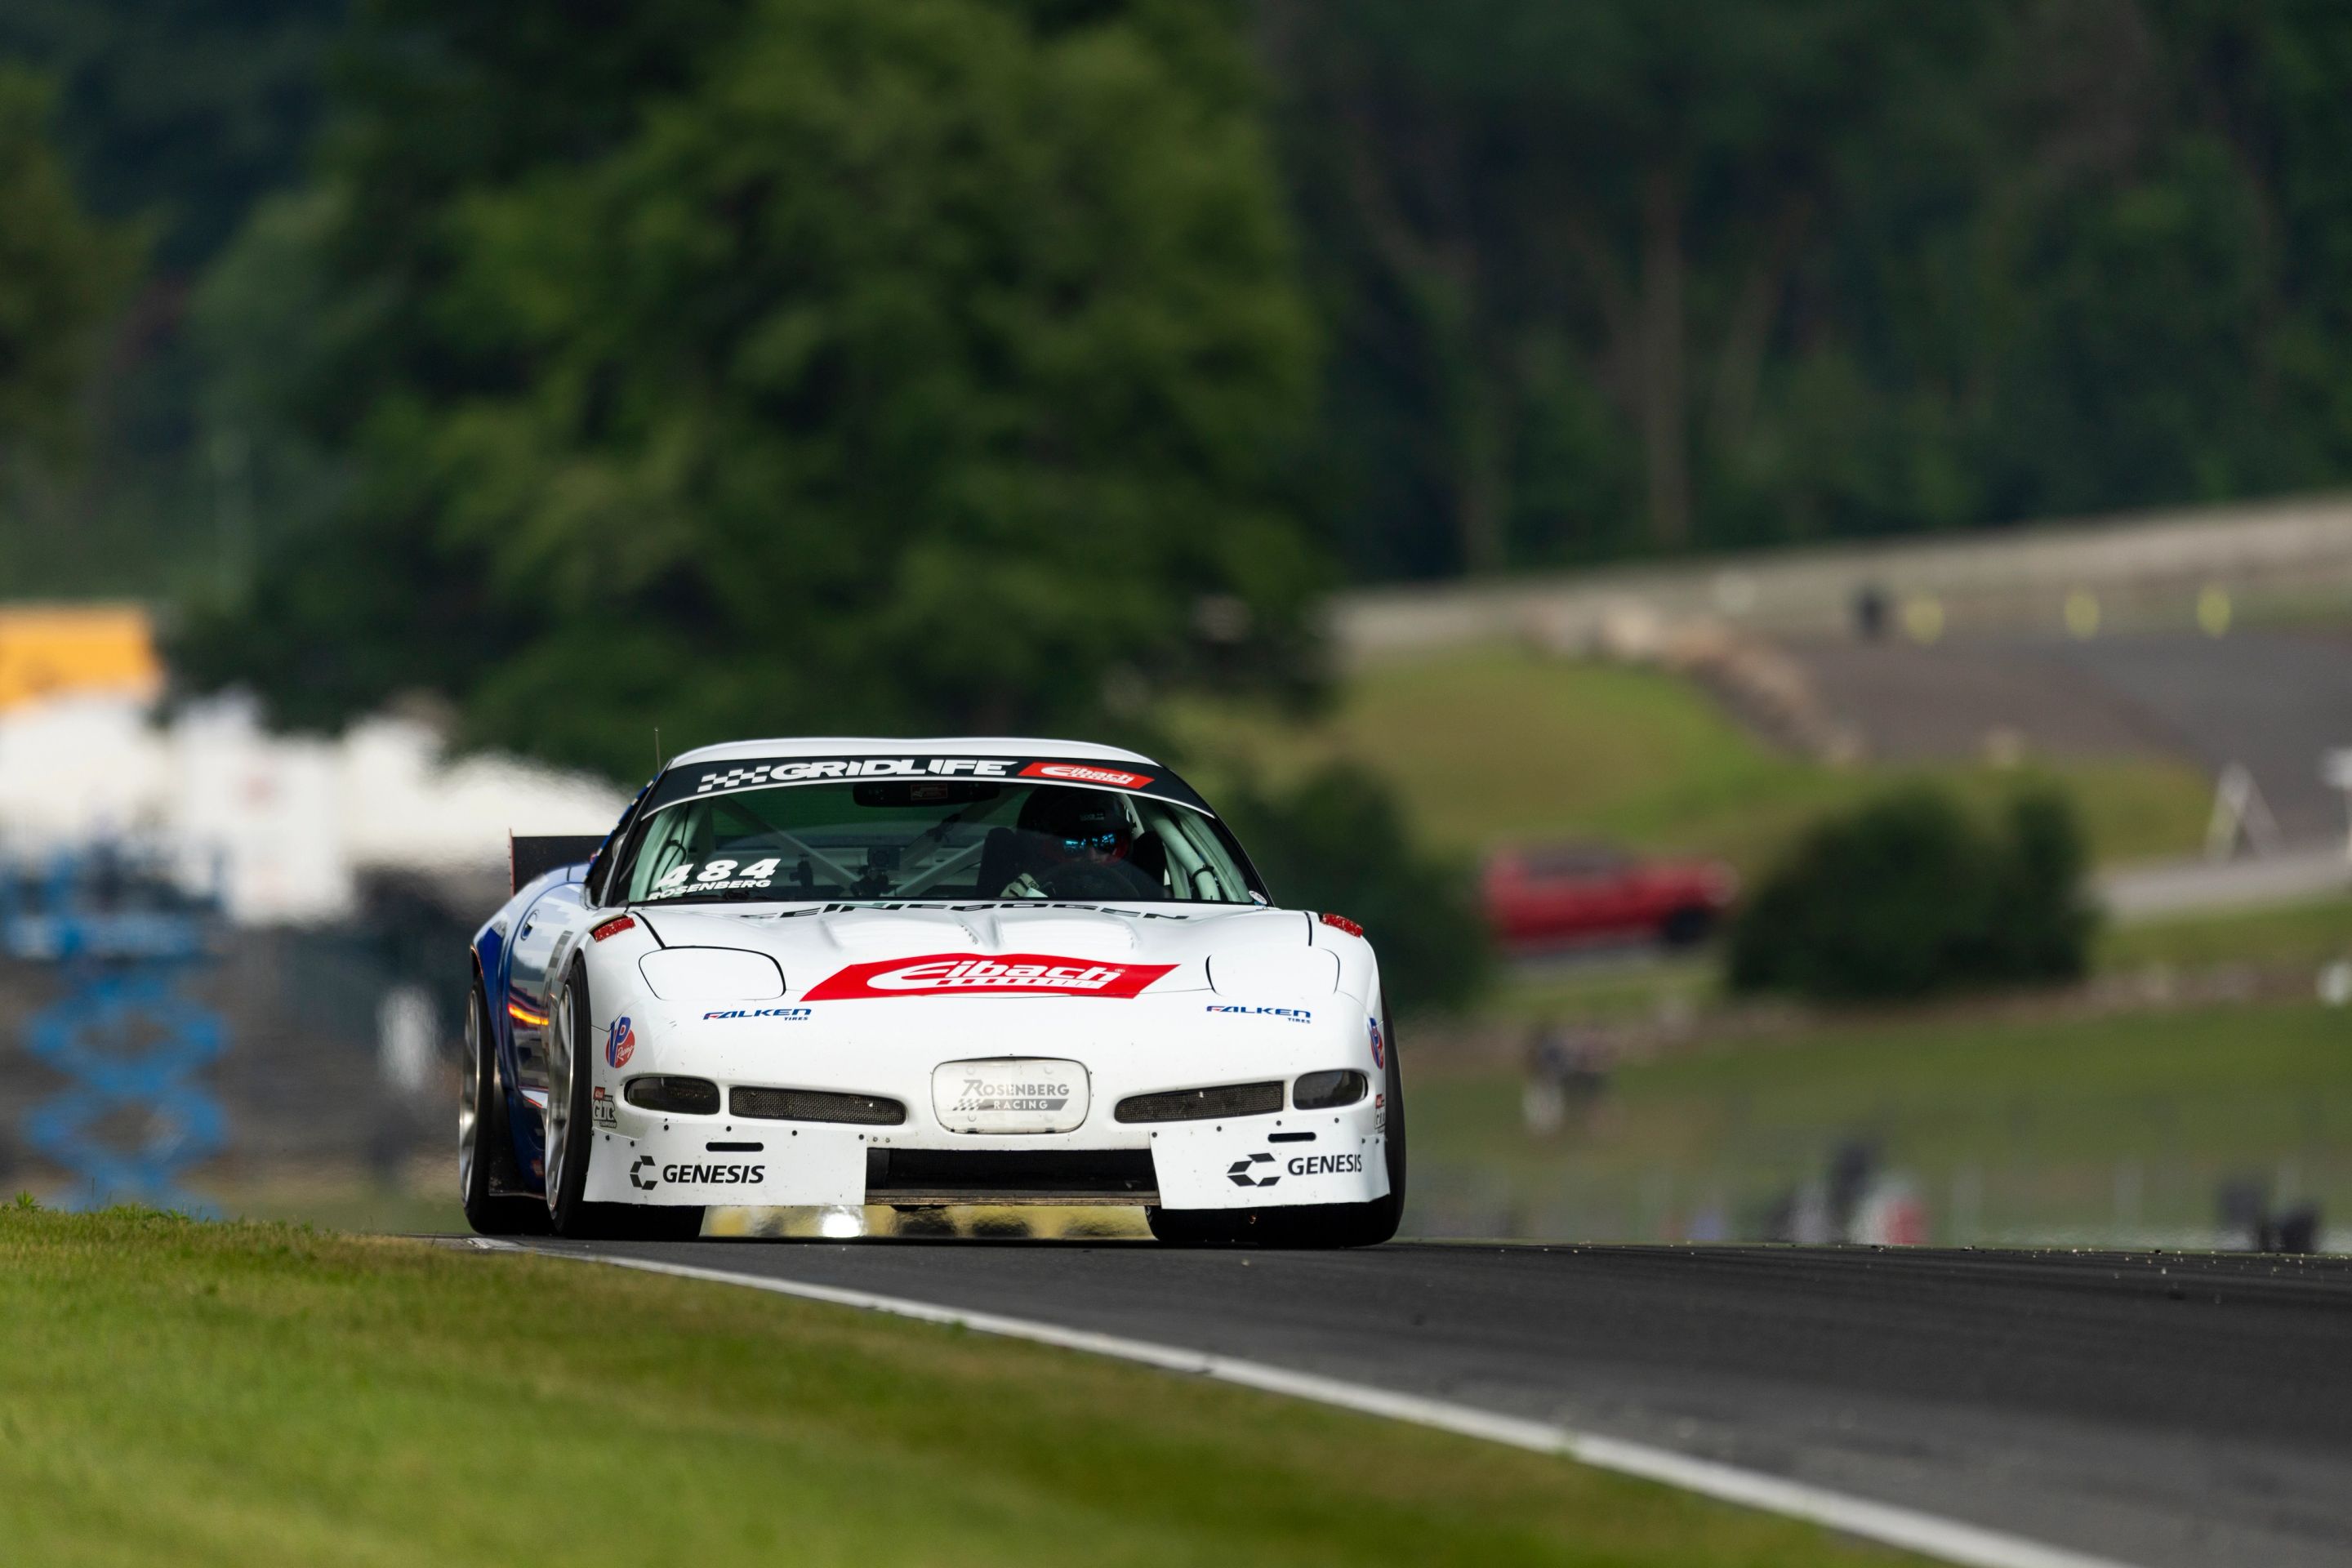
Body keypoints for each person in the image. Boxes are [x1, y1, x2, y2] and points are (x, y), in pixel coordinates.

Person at [987, 786, 1165, 901]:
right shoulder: (1018, 897)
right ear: (1047, 849)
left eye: (1105, 844)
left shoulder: (1153, 903)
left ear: (1123, 846)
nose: (1092, 856)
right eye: (1073, 846)